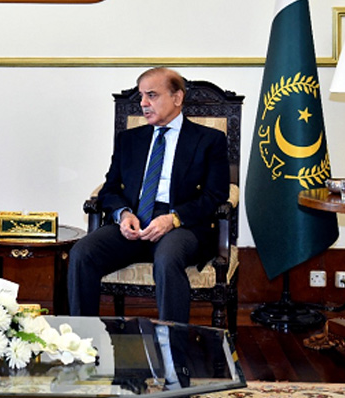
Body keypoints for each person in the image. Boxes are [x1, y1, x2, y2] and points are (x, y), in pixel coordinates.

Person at [68, 67, 229, 325]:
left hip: (182, 226)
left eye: (152, 95)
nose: (143, 103)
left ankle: (172, 351)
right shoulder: (129, 140)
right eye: (142, 96)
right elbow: (110, 189)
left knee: (167, 257)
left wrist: (173, 219)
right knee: (82, 252)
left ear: (177, 98)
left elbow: (215, 195)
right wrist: (123, 214)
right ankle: (83, 342)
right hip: (135, 220)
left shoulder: (209, 140)